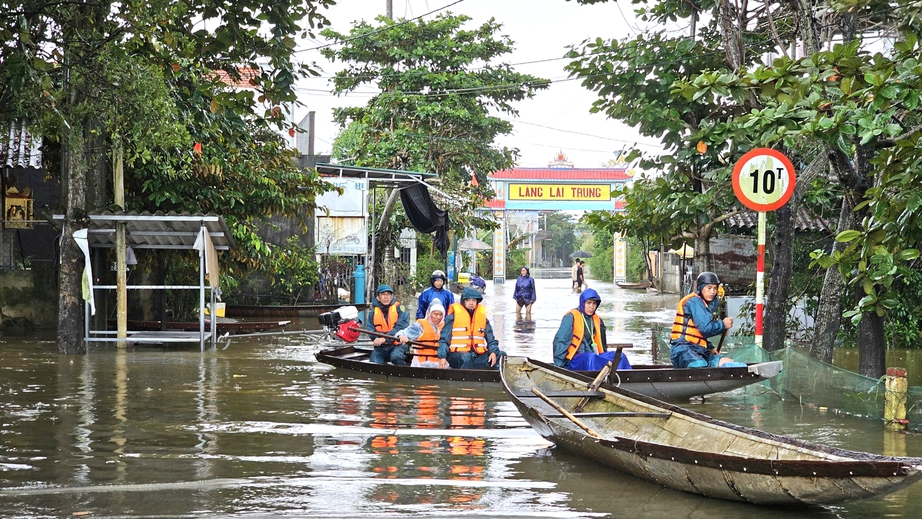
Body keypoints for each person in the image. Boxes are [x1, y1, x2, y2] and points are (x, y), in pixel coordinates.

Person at [670, 271, 745, 368]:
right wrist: (722, 324)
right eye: (709, 288)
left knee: (727, 361)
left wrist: (709, 347)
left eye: (715, 288)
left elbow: (696, 332)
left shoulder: (703, 304)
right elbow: (705, 329)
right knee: (700, 365)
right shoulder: (694, 302)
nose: (712, 292)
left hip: (699, 349)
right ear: (701, 288)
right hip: (683, 350)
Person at [553, 288, 632, 370]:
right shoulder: (571, 317)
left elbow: (603, 344)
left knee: (620, 356)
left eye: (594, 303)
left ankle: (624, 379)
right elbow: (561, 341)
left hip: (593, 355)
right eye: (589, 303)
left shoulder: (597, 320)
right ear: (583, 303)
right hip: (573, 359)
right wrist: (559, 367)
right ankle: (595, 380)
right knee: (591, 357)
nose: (592, 306)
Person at [438, 287, 506, 370]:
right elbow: (444, 340)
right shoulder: (453, 317)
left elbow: (491, 340)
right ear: (463, 301)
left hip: (476, 356)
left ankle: (495, 379)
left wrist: (493, 352)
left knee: (501, 355)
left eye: (473, 300)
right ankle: (465, 381)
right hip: (456, 356)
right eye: (468, 300)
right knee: (466, 357)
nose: (471, 303)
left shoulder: (483, 319)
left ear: (477, 302)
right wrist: (442, 357)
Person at [395, 299, 446, 368]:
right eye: (435, 314)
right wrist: (401, 336)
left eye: (441, 314)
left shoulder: (446, 326)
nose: (438, 317)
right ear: (429, 314)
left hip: (440, 364)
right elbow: (402, 333)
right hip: (422, 364)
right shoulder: (419, 326)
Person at [367, 284, 410, 365]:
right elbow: (371, 330)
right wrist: (376, 338)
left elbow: (401, 327)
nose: (386, 297)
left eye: (388, 294)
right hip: (381, 346)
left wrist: (384, 338)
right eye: (383, 294)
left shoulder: (400, 309)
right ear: (378, 297)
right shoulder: (373, 313)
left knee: (396, 357)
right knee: (375, 362)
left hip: (398, 344)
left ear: (392, 296)